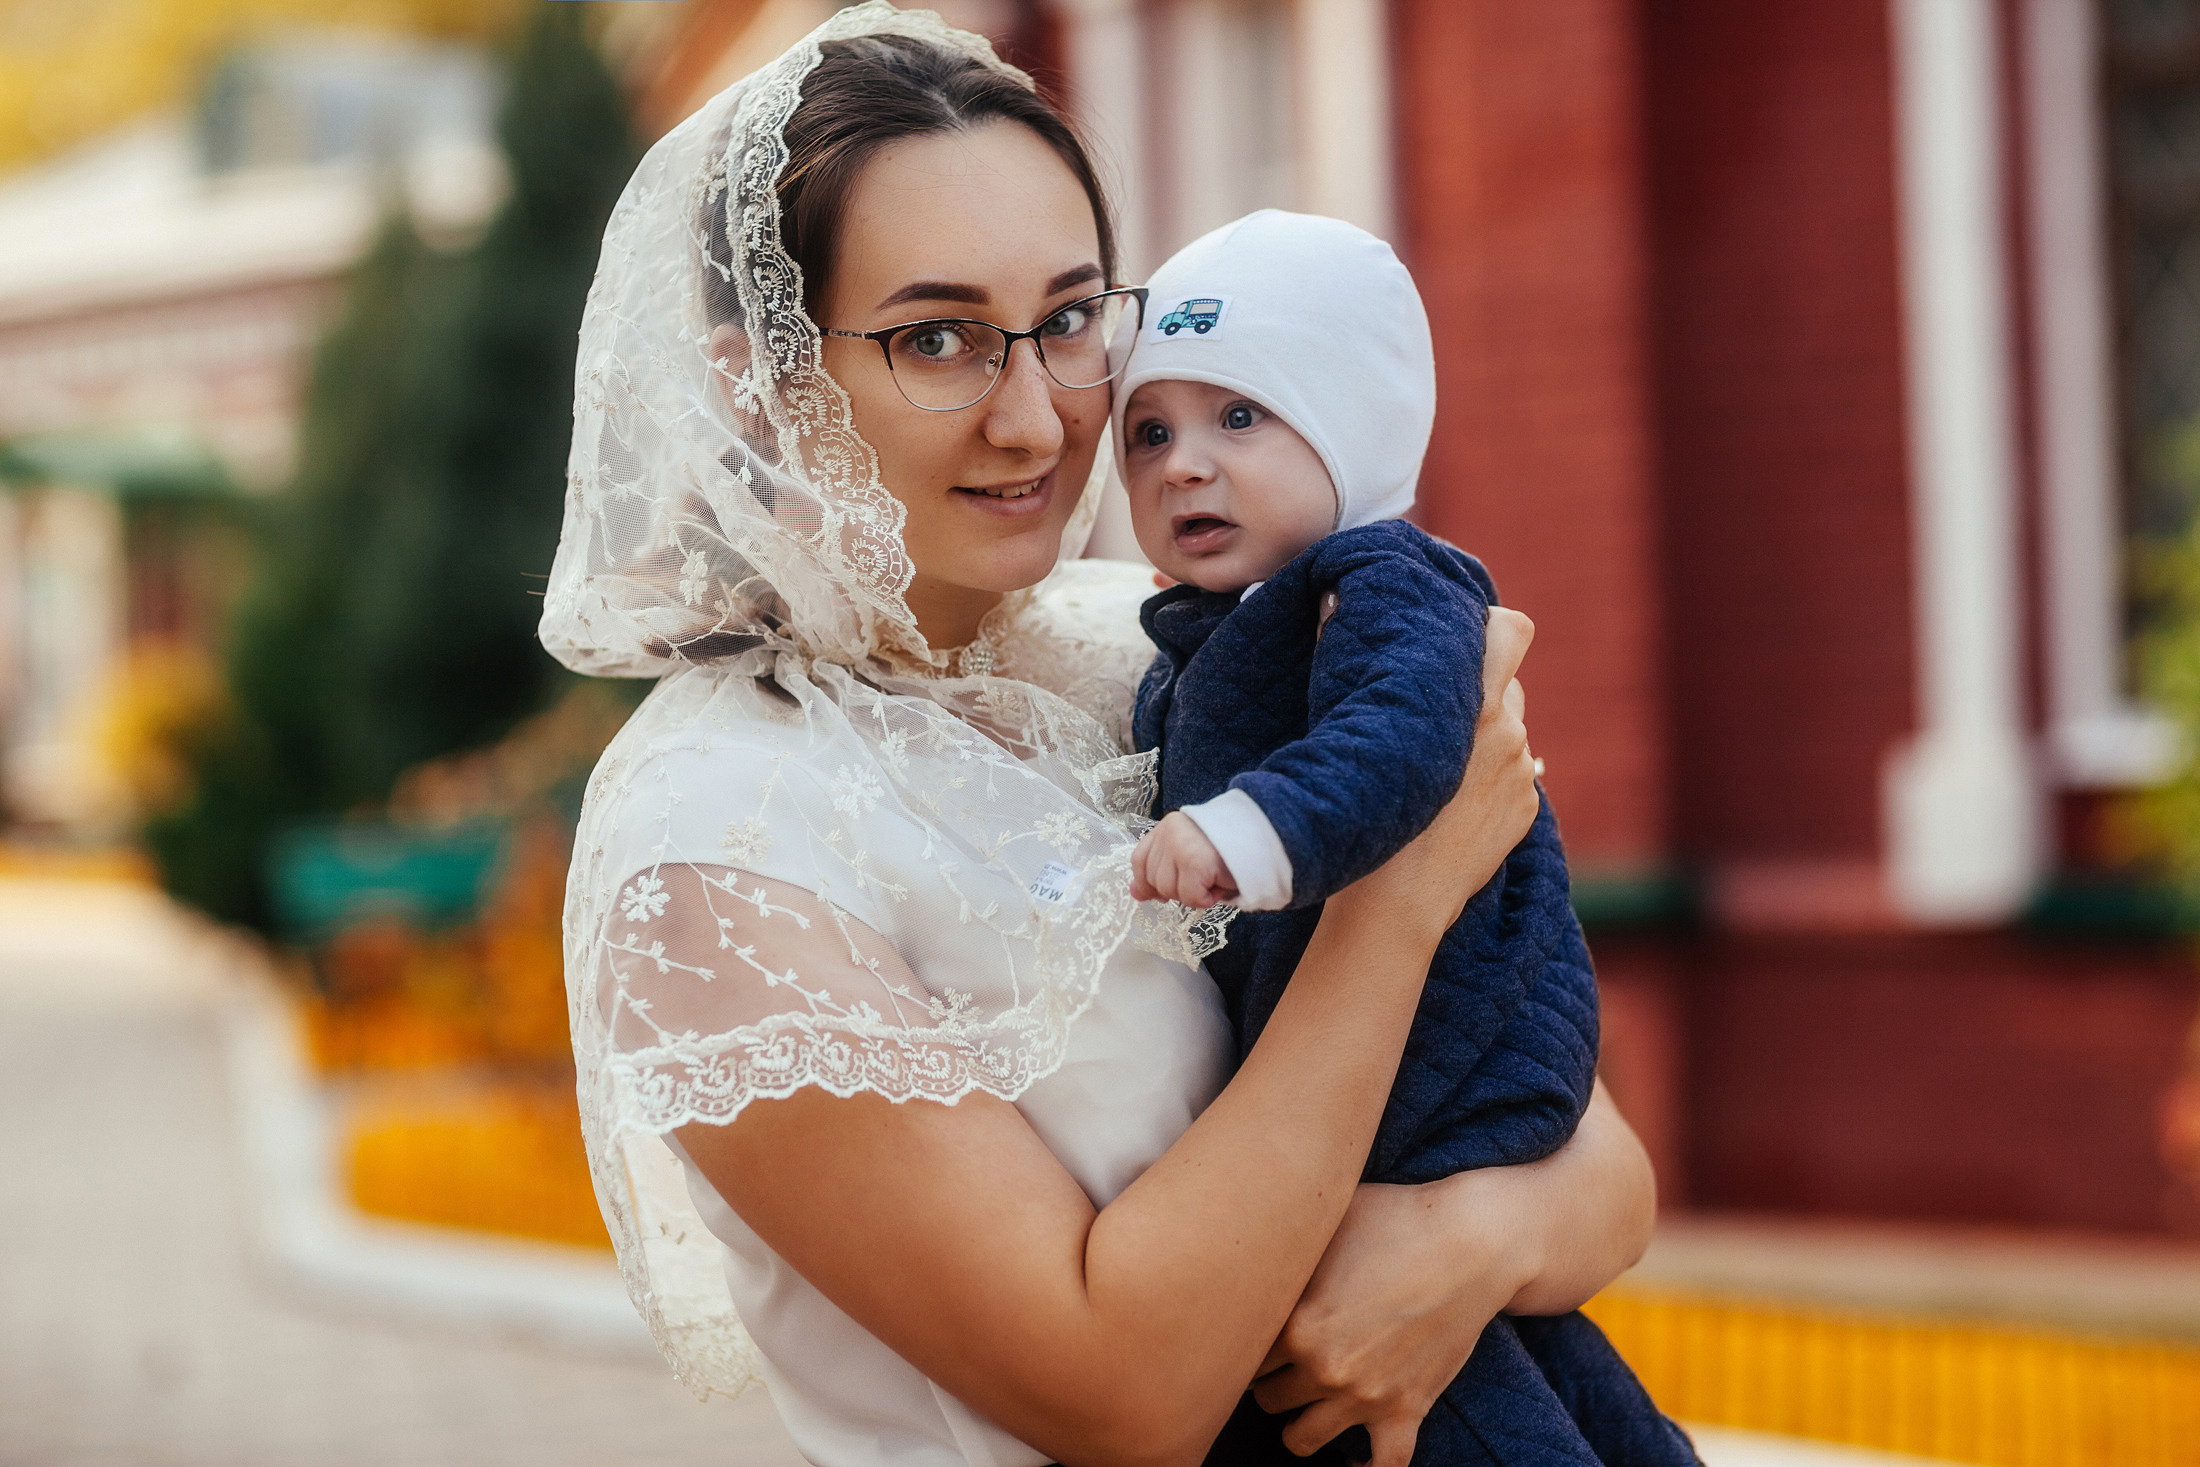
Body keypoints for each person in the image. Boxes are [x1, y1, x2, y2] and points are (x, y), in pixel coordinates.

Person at [537, 7, 1659, 1465]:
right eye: (938, 338)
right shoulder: (712, 844)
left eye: (1068, 323)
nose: (1036, 419)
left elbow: (1603, 1161)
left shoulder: (1168, 636)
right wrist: (1396, 890)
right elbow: (1125, 1393)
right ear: (762, 383)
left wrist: (1461, 1239)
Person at [1118, 211, 1696, 1467]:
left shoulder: (1387, 583)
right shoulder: (1202, 629)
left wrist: (1250, 833)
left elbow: (1403, 736)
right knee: (1534, 1376)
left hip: (1457, 1056)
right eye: (1149, 430)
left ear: (1353, 428)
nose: (1182, 465)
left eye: (1240, 417)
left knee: (1446, 1412)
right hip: (1383, 1096)